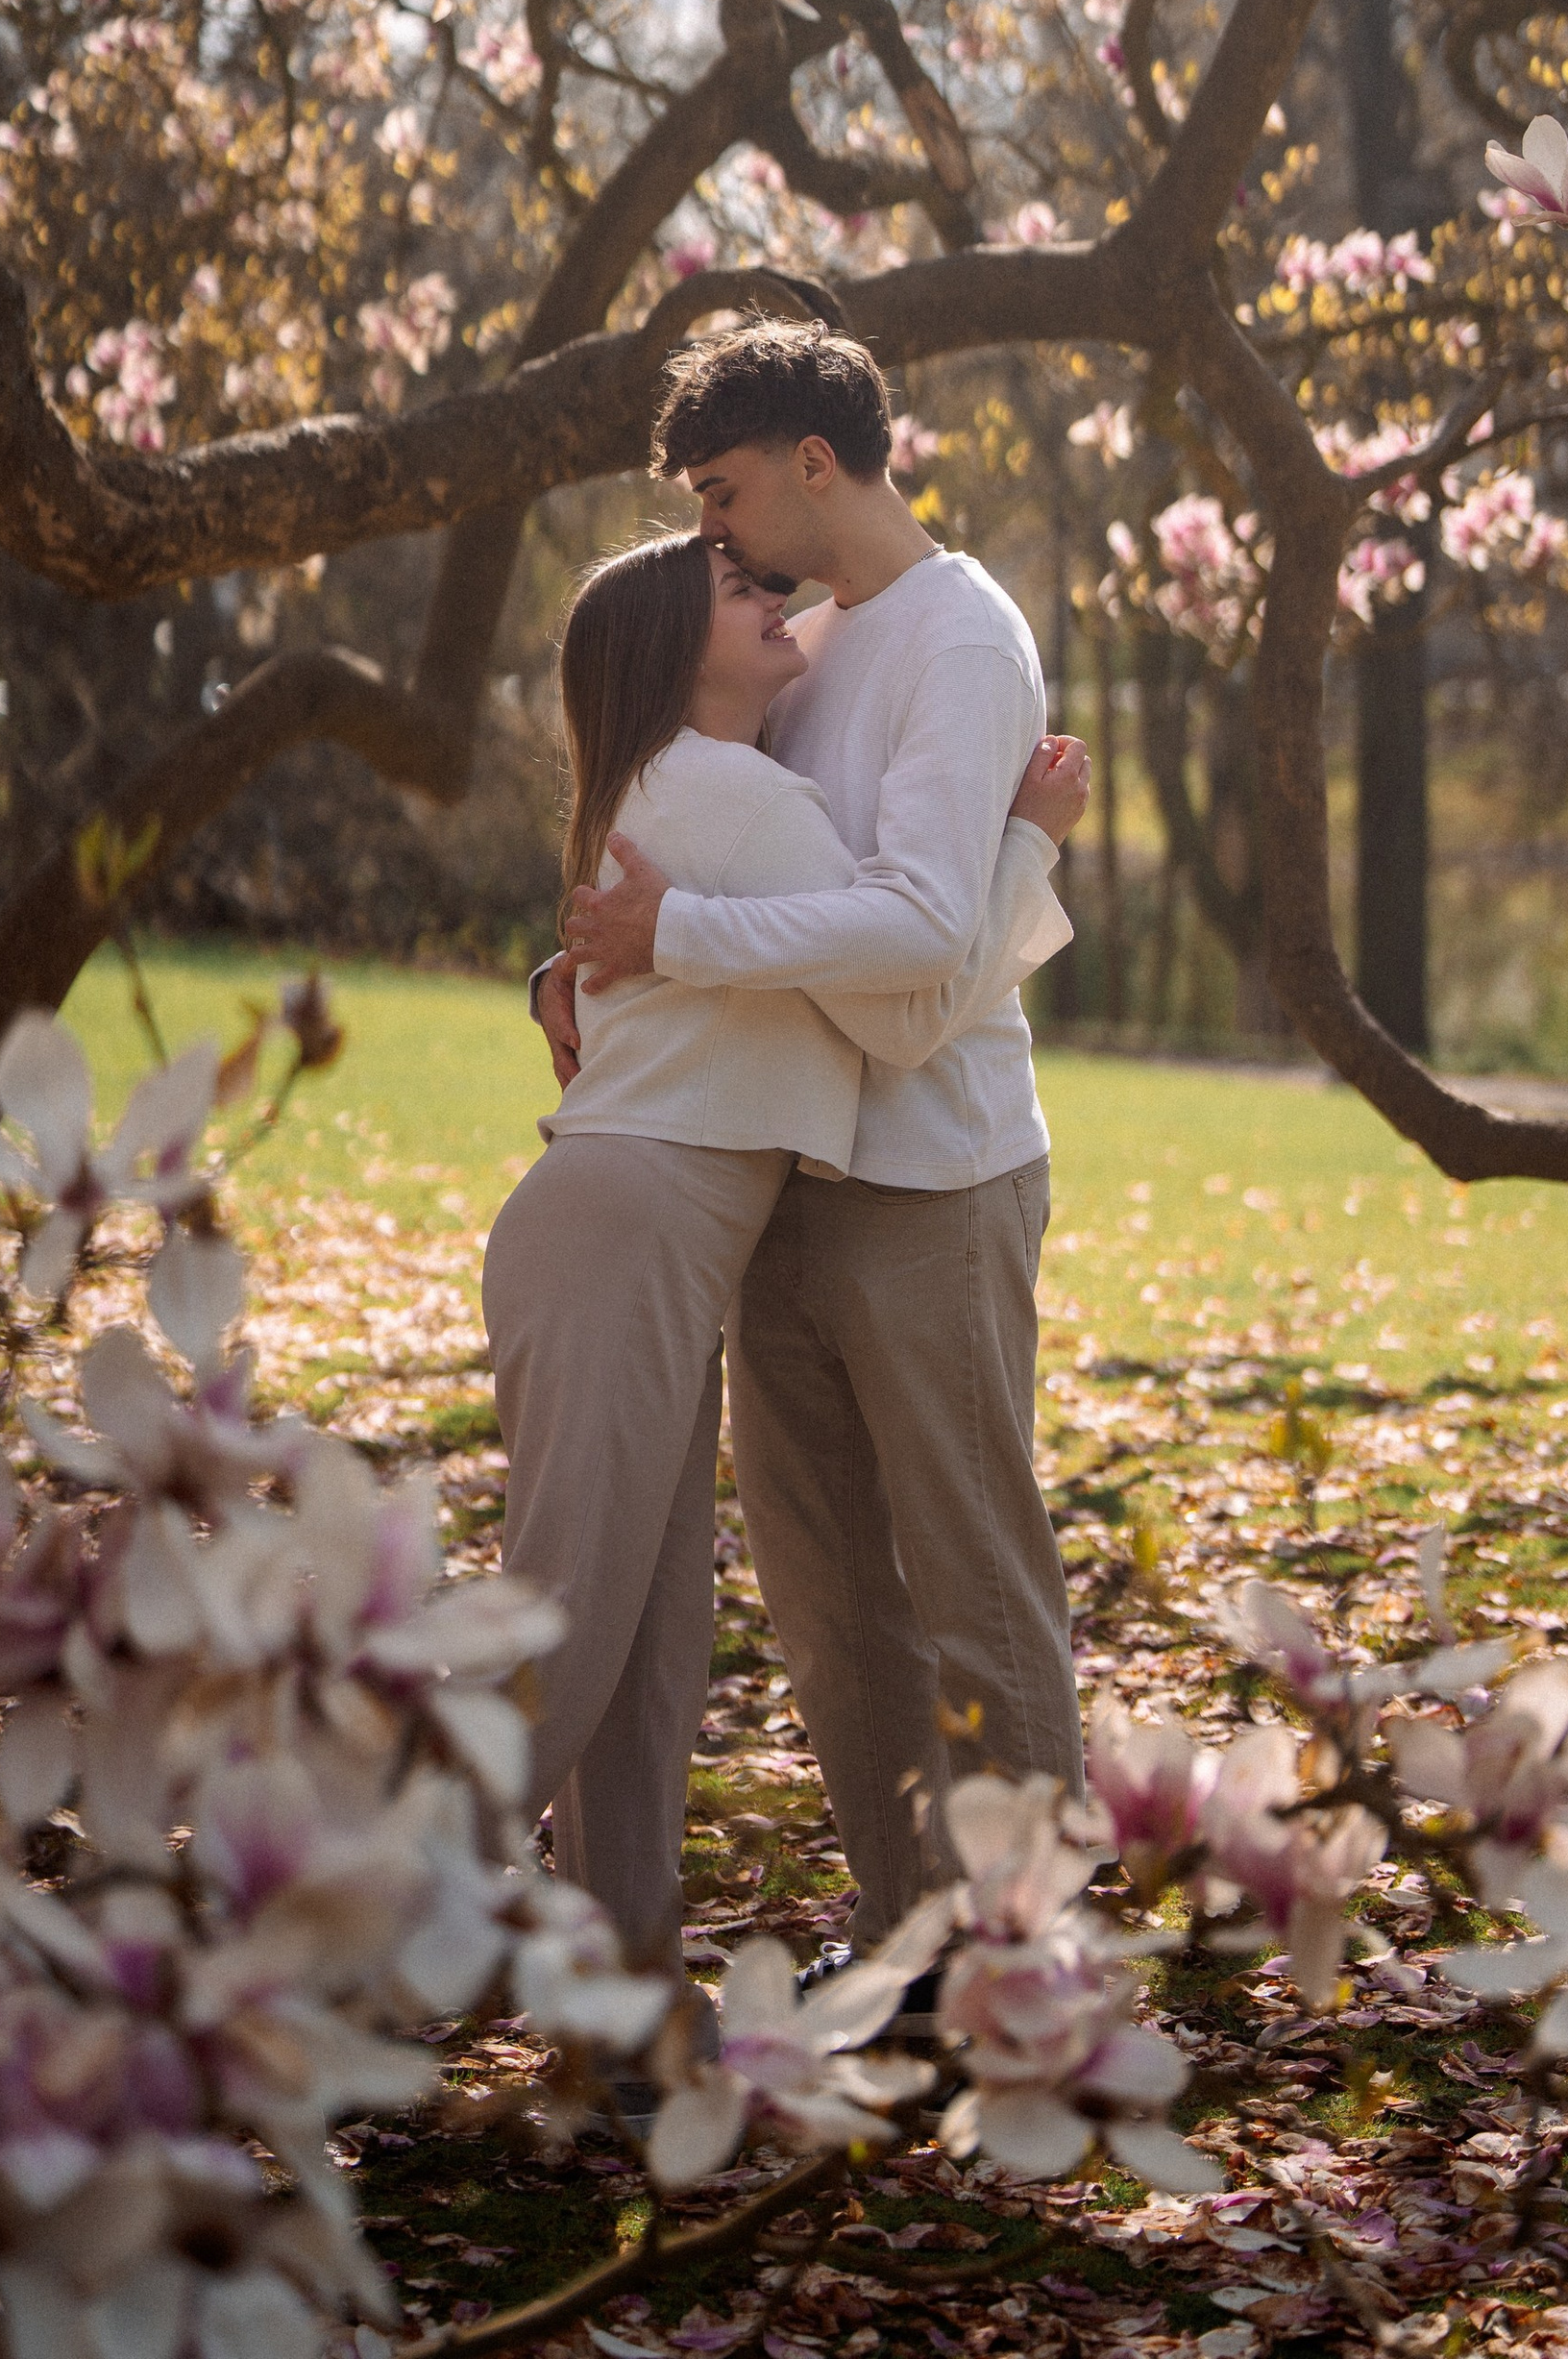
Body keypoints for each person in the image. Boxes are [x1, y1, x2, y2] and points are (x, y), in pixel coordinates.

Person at [549, 319, 1090, 1973]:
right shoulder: (803, 642)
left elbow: (916, 945)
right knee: (830, 1596)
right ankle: (908, 1928)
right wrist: (585, 968)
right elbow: (714, 848)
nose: (710, 534)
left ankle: (1025, 1960)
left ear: (811, 460)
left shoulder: (961, 639)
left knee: (973, 1582)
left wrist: (675, 940)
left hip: (939, 1170)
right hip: (788, 1165)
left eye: (722, 494)